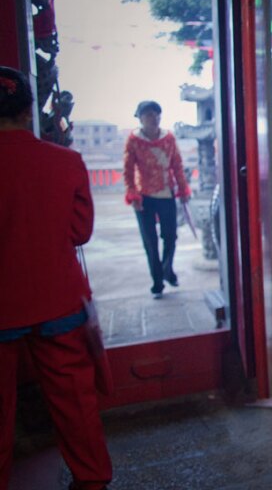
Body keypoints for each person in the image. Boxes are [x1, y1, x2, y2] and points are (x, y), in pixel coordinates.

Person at [0, 66, 112, 490]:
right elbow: (79, 232)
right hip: (58, 298)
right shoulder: (66, 162)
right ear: (30, 111)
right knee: (73, 400)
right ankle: (92, 479)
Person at [123, 100, 191, 299]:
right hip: (143, 197)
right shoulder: (134, 140)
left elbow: (177, 165)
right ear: (140, 118)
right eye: (149, 115)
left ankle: (167, 269)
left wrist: (183, 189)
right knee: (150, 241)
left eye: (157, 114)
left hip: (166, 193)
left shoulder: (168, 138)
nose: (154, 118)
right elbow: (127, 170)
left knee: (170, 236)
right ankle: (157, 281)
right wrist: (132, 193)